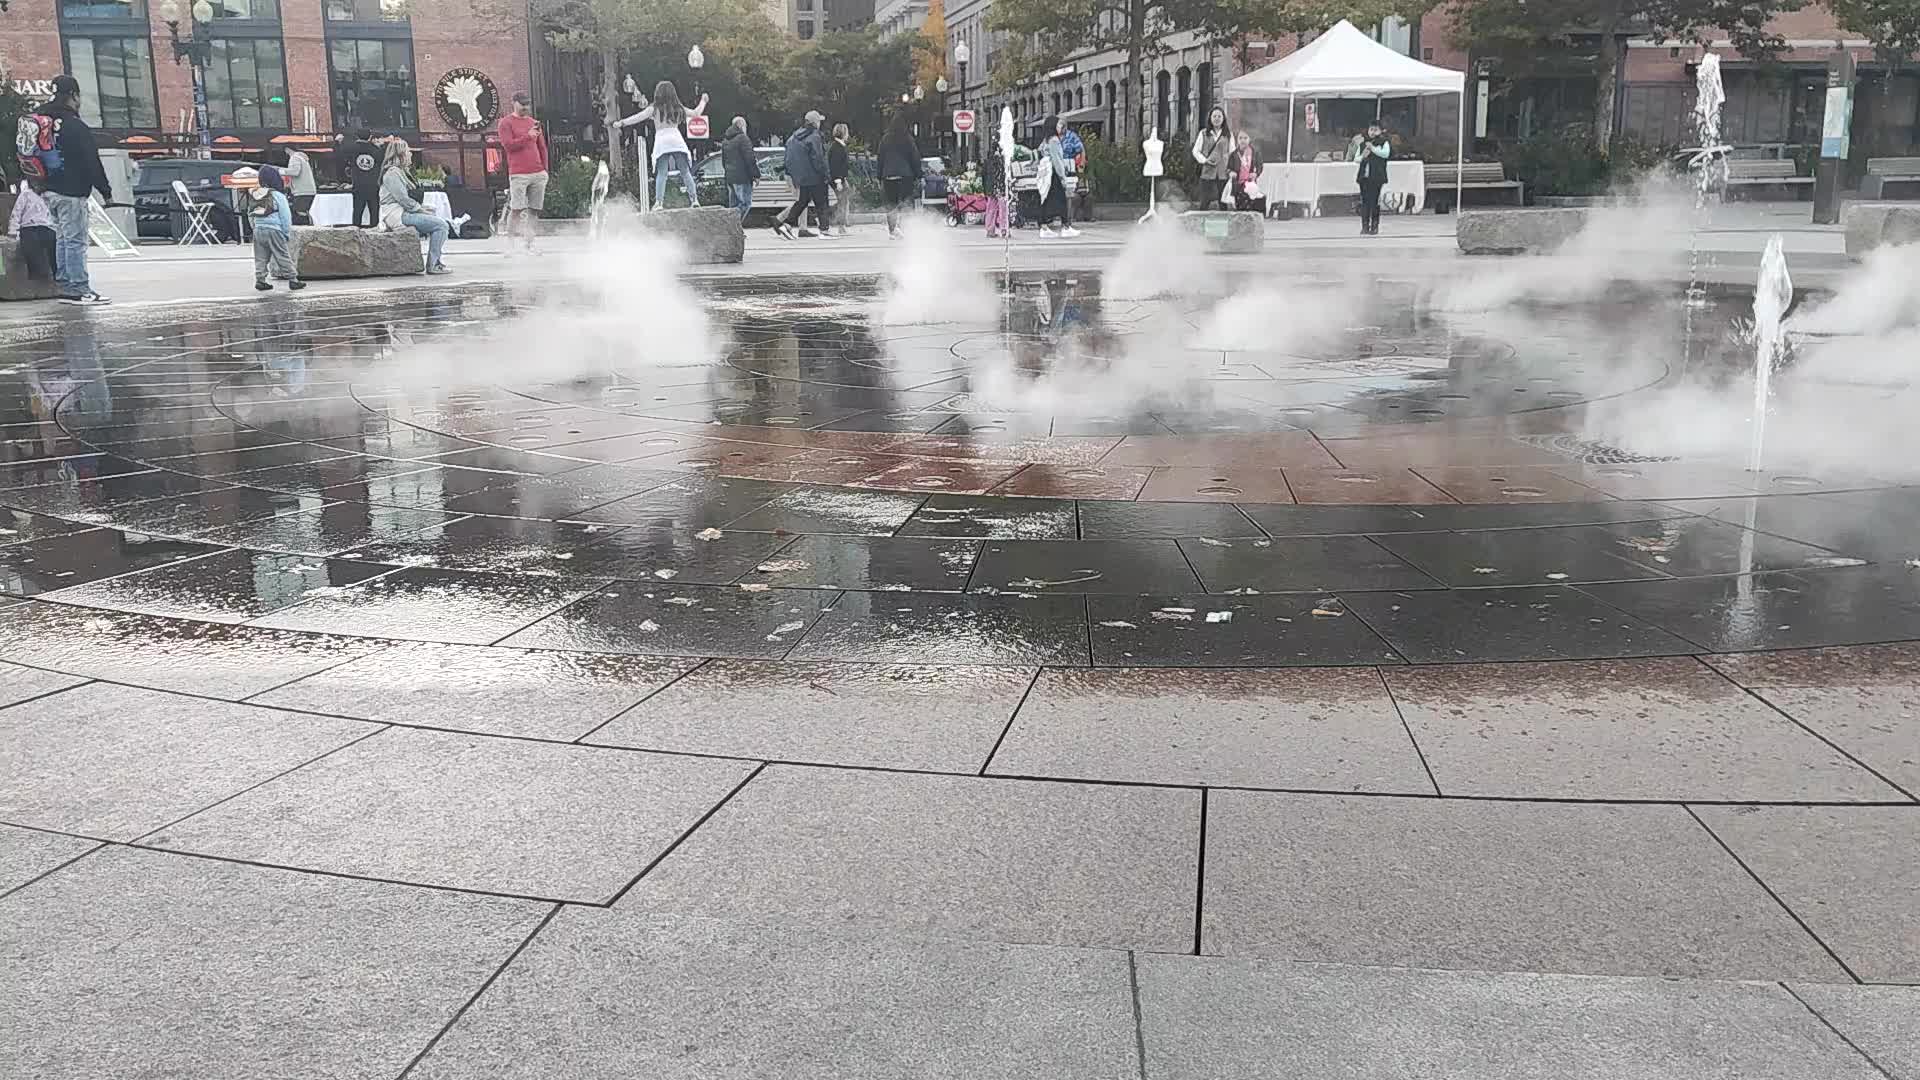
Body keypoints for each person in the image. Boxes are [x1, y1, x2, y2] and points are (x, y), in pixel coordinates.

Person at [32, 75, 113, 305]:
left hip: (48, 190)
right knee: (75, 241)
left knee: (62, 239)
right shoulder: (75, 126)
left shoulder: (43, 122)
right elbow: (92, 161)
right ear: (73, 96)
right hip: (72, 192)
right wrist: (105, 191)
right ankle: (79, 288)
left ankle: (65, 286)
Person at [613, 81, 707, 208]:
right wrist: (703, 101)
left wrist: (621, 123)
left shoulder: (654, 108)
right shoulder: (678, 108)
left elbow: (638, 117)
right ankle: (694, 200)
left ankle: (659, 202)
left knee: (662, 173)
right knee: (685, 171)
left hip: (662, 140)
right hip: (676, 139)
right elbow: (696, 113)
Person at [377, 140, 449, 274]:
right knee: (441, 225)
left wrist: (422, 209)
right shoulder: (392, 173)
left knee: (436, 219)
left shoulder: (399, 172)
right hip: (398, 215)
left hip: (402, 213)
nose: (410, 154)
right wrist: (420, 209)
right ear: (400, 155)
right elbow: (403, 199)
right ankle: (434, 264)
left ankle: (435, 262)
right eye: (408, 151)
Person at [497, 91, 549, 252]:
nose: (525, 107)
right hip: (518, 173)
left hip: (538, 172)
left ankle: (529, 243)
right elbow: (508, 146)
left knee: (535, 209)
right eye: (522, 104)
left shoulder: (534, 123)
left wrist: (545, 169)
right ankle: (510, 244)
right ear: (514, 103)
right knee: (517, 209)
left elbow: (542, 147)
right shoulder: (505, 123)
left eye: (527, 104)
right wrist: (528, 136)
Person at [774, 110, 831, 240]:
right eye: (819, 121)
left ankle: (786, 225)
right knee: (822, 203)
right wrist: (825, 175)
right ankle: (824, 230)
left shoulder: (795, 136)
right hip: (815, 176)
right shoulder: (815, 136)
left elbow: (790, 157)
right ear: (815, 123)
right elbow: (818, 158)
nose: (820, 124)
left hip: (802, 177)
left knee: (802, 202)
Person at [248, 165, 304, 292]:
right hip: (274, 229)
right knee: (282, 255)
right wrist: (286, 232)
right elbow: (285, 216)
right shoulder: (277, 195)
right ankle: (293, 280)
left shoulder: (255, 194)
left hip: (258, 229)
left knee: (260, 257)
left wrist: (254, 228)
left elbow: (250, 213)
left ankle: (260, 280)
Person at [876, 110, 919, 238]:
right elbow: (914, 157)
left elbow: (880, 158)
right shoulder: (908, 139)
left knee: (891, 204)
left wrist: (879, 176)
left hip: (888, 175)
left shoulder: (885, 138)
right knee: (905, 202)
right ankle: (902, 227)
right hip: (905, 175)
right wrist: (918, 174)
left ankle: (892, 230)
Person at [5, 178, 57, 283]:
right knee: (32, 246)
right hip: (28, 227)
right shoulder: (26, 195)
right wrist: (13, 231)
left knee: (54, 245)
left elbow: (54, 216)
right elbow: (16, 213)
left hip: (46, 227)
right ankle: (37, 275)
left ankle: (56, 274)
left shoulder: (49, 196)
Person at [1036, 115, 1077, 238]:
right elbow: (1057, 160)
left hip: (1047, 174)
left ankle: (1045, 226)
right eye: (1059, 124)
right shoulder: (1054, 140)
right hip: (1054, 174)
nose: (1061, 127)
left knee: (1046, 199)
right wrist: (1063, 177)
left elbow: (1040, 151)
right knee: (1062, 200)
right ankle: (1065, 227)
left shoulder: (1046, 140)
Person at [720, 116, 759, 224]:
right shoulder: (743, 138)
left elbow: (723, 161)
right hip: (742, 177)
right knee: (745, 203)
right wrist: (756, 175)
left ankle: (731, 226)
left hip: (730, 178)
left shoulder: (726, 140)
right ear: (741, 125)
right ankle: (732, 225)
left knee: (733, 206)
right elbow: (750, 158)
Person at [1191, 106, 1230, 210]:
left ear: (1223, 118)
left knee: (1223, 201)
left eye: (1219, 116)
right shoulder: (1203, 133)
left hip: (1223, 172)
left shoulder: (1228, 134)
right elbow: (1195, 151)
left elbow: (1232, 151)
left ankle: (1224, 218)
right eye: (1214, 116)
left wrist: (1229, 166)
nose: (1217, 118)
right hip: (1207, 171)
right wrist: (1204, 160)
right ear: (1210, 118)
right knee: (1205, 200)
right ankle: (1201, 219)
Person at [1356, 122, 1391, 235]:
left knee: (1374, 201)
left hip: (1376, 177)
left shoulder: (1383, 142)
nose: (1372, 132)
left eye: (1375, 130)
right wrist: (1363, 156)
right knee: (1365, 201)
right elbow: (1356, 158)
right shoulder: (1363, 143)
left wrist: (1373, 149)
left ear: (1380, 131)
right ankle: (1365, 226)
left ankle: (1375, 226)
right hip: (1364, 177)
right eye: (1371, 129)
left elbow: (1385, 154)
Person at [1226, 131, 1267, 215]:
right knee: (1240, 208)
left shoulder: (1255, 153)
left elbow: (1260, 166)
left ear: (1249, 139)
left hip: (1250, 183)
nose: (1243, 140)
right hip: (1237, 183)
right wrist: (1230, 173)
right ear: (1237, 140)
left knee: (1250, 206)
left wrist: (1256, 174)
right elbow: (1228, 168)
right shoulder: (1234, 154)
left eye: (1245, 138)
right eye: (1240, 138)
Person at [347, 128, 382, 228]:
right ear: (370, 136)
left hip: (358, 184)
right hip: (373, 185)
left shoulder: (352, 148)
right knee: (374, 211)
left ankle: (355, 231)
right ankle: (375, 231)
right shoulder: (376, 149)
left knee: (357, 211)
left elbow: (342, 157)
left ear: (357, 136)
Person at [281, 146, 317, 224]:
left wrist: (280, 171)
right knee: (304, 212)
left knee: (299, 213)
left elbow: (295, 172)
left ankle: (303, 229)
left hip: (301, 191)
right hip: (308, 190)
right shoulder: (301, 157)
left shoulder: (294, 157)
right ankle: (309, 227)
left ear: (287, 149)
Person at [979, 145, 1008, 238]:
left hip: (990, 189)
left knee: (991, 210)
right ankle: (1004, 229)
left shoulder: (987, 162)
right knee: (1003, 209)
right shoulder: (1003, 161)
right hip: (1001, 188)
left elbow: (983, 177)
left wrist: (985, 190)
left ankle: (990, 230)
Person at [828, 122, 852, 237]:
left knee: (843, 201)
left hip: (841, 178)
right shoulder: (838, 148)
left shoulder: (838, 146)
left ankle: (840, 222)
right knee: (842, 202)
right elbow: (836, 166)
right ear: (843, 133)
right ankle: (841, 226)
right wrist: (838, 181)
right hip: (838, 179)